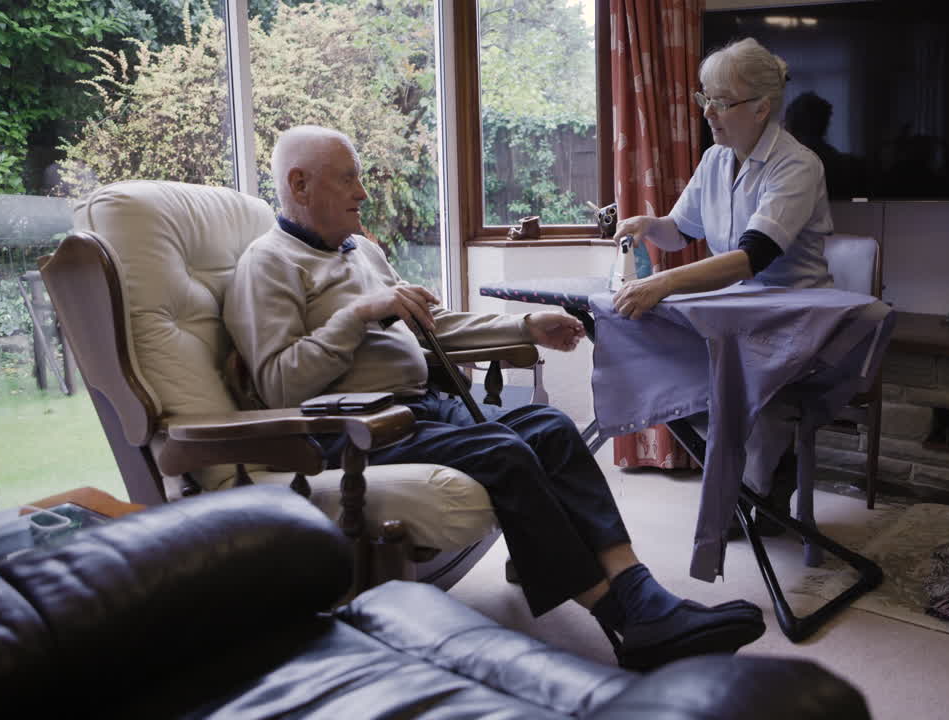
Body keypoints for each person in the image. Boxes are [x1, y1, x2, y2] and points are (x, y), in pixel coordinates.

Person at [223, 125, 765, 671]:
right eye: (349, 180)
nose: (362, 193)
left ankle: (643, 595)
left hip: (421, 408)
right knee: (504, 454)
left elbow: (435, 326)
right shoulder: (267, 264)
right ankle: (625, 620)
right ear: (299, 184)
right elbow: (279, 386)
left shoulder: (360, 251)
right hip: (354, 432)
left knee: (551, 430)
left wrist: (526, 324)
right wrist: (357, 314)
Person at [610, 38, 834, 320]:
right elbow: (680, 233)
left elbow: (751, 258)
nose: (707, 112)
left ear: (761, 109)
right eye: (705, 98)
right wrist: (649, 226)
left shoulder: (797, 165)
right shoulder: (714, 158)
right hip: (737, 308)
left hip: (797, 314)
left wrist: (664, 281)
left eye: (721, 103)